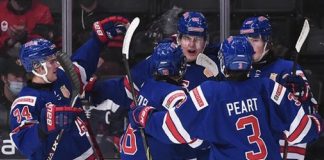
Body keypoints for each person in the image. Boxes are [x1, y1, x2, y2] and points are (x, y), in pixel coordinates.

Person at [129, 35, 323, 160]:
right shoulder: (269, 87)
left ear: (223, 61)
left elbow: (175, 130)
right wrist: (307, 107)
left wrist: (145, 116)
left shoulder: (209, 92)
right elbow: (304, 132)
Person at [9, 16, 129, 159]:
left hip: (88, 154)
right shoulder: (26, 102)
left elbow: (82, 63)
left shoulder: (62, 77)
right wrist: (43, 127)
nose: (57, 65)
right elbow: (23, 142)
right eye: (52, 62)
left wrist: (97, 40)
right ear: (38, 68)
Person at [239, 16, 319, 159]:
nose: (248, 46)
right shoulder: (238, 72)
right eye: (245, 40)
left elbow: (311, 120)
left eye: (255, 40)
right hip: (251, 152)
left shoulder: (288, 70)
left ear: (268, 43)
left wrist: (300, 98)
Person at [119, 41, 210, 160]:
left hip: (130, 154)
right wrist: (209, 142)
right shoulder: (174, 94)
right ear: (181, 65)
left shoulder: (147, 84)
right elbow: (189, 133)